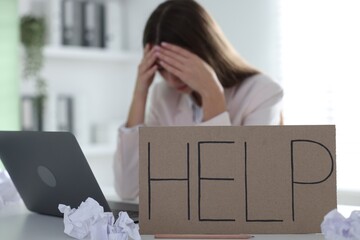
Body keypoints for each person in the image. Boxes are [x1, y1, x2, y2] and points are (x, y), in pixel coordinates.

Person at [113, 0, 283, 200]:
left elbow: (233, 189)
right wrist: (140, 92)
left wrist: (212, 93)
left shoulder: (263, 93)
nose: (171, 79)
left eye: (179, 65)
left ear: (206, 50)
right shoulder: (164, 95)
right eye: (161, 68)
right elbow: (128, 189)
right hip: (178, 223)